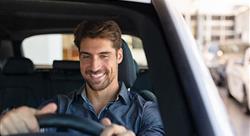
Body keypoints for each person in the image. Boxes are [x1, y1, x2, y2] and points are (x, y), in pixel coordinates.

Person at [0, 20, 165, 136]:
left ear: (119, 56)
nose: (94, 66)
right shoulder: (58, 106)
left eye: (104, 55)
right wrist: (9, 124)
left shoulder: (146, 111)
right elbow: (31, 125)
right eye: (86, 56)